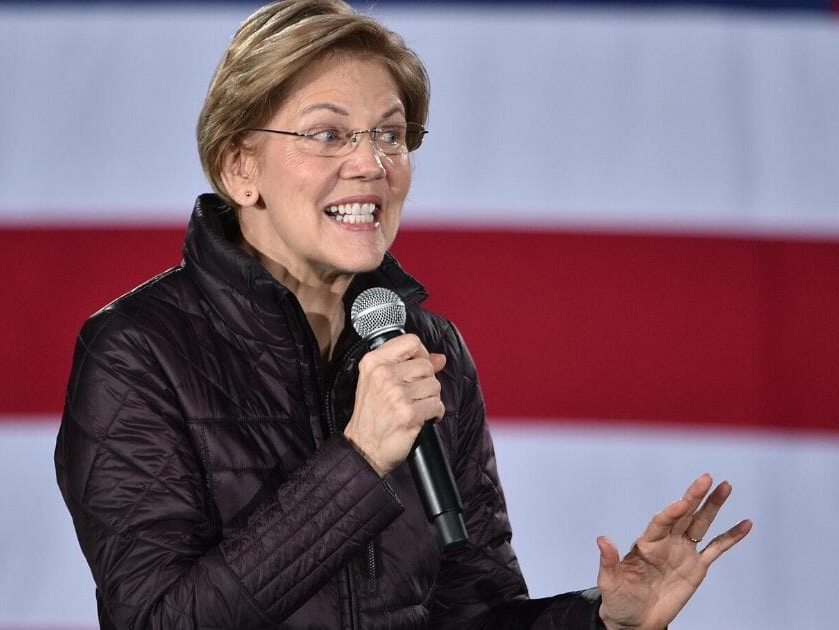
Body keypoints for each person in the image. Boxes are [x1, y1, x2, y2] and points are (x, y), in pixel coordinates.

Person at [54, 1, 752, 627]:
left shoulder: (428, 346)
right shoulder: (137, 349)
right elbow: (156, 621)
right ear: (241, 169)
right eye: (328, 135)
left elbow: (472, 611)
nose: (372, 163)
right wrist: (358, 460)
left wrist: (605, 621)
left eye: (390, 134)